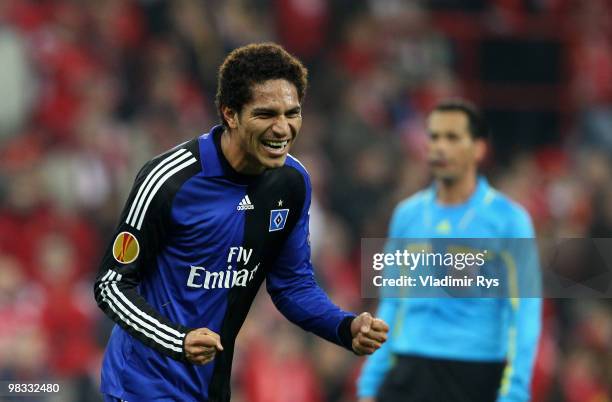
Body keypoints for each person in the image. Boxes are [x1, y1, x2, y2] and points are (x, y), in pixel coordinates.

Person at [94, 43, 389, 402]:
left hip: (210, 387)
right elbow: (112, 285)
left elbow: (292, 286)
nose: (283, 129)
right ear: (230, 114)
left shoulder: (292, 183)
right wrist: (178, 340)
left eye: (292, 113)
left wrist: (344, 327)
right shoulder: (169, 179)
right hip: (142, 386)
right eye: (266, 114)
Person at [357, 100, 542, 402]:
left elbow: (524, 313)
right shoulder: (407, 215)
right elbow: (391, 303)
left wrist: (515, 392)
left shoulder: (508, 220)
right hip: (409, 369)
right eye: (434, 137)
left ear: (479, 149)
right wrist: (370, 382)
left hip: (475, 373)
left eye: (452, 138)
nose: (440, 147)